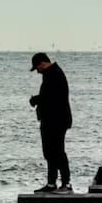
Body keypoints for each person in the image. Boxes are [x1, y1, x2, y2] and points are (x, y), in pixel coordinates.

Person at [29, 52, 73, 193]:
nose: (37, 71)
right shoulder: (52, 74)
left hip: (56, 120)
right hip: (52, 120)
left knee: (57, 151)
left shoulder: (54, 74)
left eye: (37, 68)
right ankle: (51, 183)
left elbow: (51, 98)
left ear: (42, 63)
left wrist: (36, 99)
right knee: (50, 152)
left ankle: (66, 183)